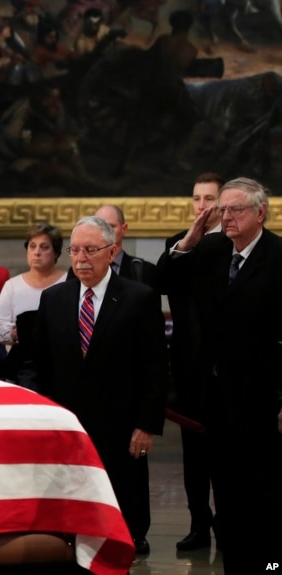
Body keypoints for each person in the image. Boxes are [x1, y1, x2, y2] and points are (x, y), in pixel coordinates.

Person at [157, 177, 282, 573]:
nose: (225, 217)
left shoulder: (278, 255)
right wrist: (190, 240)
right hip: (215, 396)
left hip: (263, 398)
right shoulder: (211, 249)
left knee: (264, 494)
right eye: (222, 209)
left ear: (260, 213)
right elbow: (164, 281)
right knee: (226, 492)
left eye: (235, 209)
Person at [33, 215, 168, 557]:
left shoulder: (140, 298)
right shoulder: (54, 299)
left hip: (122, 424)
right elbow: (40, 365)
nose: (81, 258)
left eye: (91, 250)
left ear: (111, 251)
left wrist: (146, 425)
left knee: (124, 495)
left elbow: (155, 368)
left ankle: (129, 539)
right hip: (69, 423)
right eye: (75, 250)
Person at [156, 172, 223, 552]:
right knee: (193, 455)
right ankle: (199, 524)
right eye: (197, 199)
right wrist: (188, 244)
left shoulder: (234, 244)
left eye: (209, 199)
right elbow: (161, 283)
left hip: (225, 369)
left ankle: (228, 528)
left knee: (226, 455)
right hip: (187, 369)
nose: (202, 206)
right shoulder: (178, 245)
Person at [0, 222, 67, 389]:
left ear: (56, 252)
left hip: (60, 363)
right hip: (23, 367)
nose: (37, 252)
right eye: (32, 246)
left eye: (44, 247)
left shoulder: (68, 283)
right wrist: (14, 334)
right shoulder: (13, 286)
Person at [94, 205, 157, 287]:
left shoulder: (145, 271)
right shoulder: (82, 269)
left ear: (124, 229)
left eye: (110, 226)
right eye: (99, 227)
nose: (105, 232)